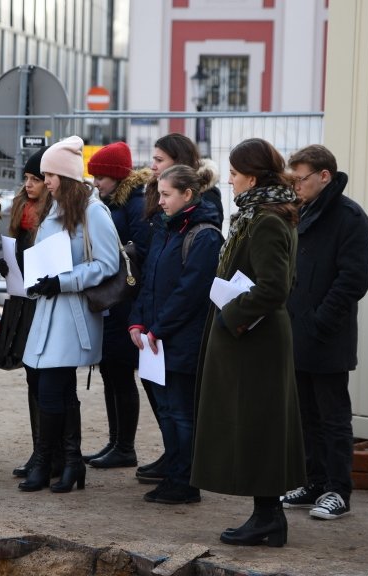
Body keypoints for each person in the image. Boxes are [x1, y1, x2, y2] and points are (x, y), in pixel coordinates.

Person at [192, 137, 305, 546]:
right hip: (249, 337)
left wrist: (232, 318)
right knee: (257, 425)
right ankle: (266, 517)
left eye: (235, 175)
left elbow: (276, 286)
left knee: (259, 426)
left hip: (255, 340)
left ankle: (269, 518)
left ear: (253, 177)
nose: (231, 182)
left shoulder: (267, 220)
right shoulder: (257, 215)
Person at [18, 136, 120, 493]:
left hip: (71, 312)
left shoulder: (94, 211)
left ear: (66, 175)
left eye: (50, 174)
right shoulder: (56, 207)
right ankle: (65, 461)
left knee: (52, 388)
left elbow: (107, 264)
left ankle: (54, 461)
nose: (45, 181)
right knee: (56, 389)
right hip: (48, 310)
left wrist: (63, 281)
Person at [280, 145, 368, 521]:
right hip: (296, 332)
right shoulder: (299, 213)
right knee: (304, 415)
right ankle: (314, 482)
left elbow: (354, 279)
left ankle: (338, 490)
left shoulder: (348, 216)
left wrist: (320, 320)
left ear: (324, 176)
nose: (295, 187)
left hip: (327, 335)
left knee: (333, 417)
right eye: (292, 180)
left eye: (300, 179)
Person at [129, 164, 222, 504]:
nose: (161, 201)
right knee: (168, 411)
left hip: (181, 340)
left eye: (167, 195)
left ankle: (186, 482)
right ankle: (173, 475)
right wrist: (137, 322)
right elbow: (149, 281)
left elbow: (190, 292)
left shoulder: (205, 235)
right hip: (157, 339)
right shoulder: (166, 229)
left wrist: (158, 329)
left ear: (187, 195)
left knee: (181, 412)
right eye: (160, 194)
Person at [83, 141, 151, 470]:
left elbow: (138, 251)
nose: (96, 183)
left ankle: (125, 446)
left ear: (116, 177)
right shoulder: (113, 202)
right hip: (113, 301)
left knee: (121, 374)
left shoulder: (135, 204)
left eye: (101, 177)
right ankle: (114, 441)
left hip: (124, 301)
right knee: (111, 373)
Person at [0, 146, 59, 478]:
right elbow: (16, 245)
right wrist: (9, 263)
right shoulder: (20, 207)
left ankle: (52, 453)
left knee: (47, 379)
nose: (30, 184)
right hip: (22, 296)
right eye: (27, 178)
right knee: (31, 377)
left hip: (44, 299)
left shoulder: (54, 212)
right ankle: (39, 450)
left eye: (37, 178)